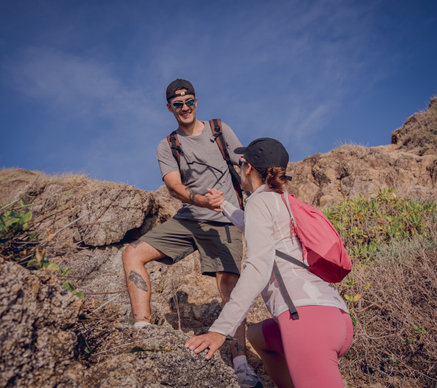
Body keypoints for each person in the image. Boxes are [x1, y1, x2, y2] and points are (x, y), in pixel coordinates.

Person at [121, 79, 262, 388]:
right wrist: (199, 200)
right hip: (189, 218)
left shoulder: (218, 129)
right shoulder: (167, 145)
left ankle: (241, 364)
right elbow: (173, 186)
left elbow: (244, 165)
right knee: (132, 253)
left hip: (224, 221)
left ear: (196, 102)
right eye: (178, 104)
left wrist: (251, 202)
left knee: (230, 290)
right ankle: (143, 333)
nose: (185, 108)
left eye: (189, 102)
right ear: (169, 107)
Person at [185, 138, 353, 388]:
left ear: (249, 167)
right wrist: (225, 207)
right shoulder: (284, 200)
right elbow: (257, 227)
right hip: (336, 319)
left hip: (306, 322)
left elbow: (257, 268)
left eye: (241, 162)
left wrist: (220, 329)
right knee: (258, 336)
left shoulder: (259, 202)